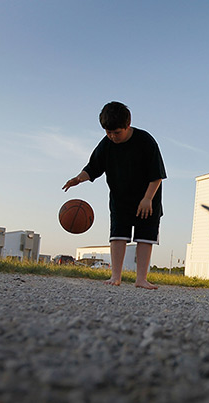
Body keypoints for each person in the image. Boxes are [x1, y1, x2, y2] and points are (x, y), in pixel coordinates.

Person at [63, 102, 166, 289]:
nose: (112, 136)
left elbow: (157, 175)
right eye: (108, 132)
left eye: (116, 132)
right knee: (118, 236)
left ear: (128, 125)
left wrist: (147, 198)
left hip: (147, 199)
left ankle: (141, 279)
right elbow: (93, 167)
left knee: (145, 238)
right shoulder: (107, 144)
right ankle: (115, 276)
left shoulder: (146, 141)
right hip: (120, 198)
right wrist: (79, 178)